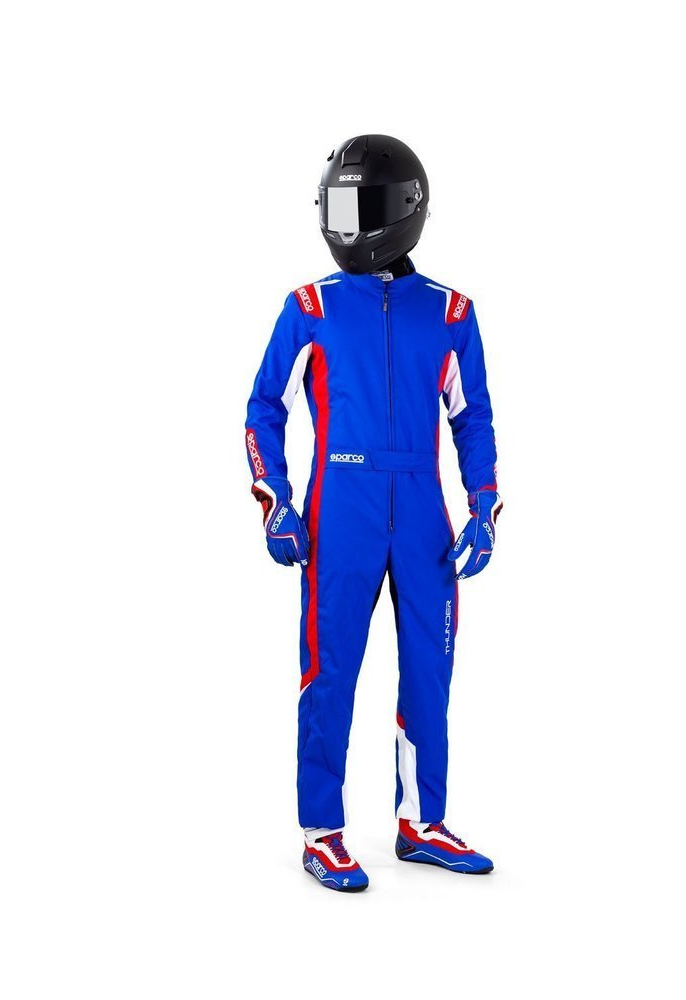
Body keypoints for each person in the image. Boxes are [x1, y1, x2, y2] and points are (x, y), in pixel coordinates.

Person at [245, 135, 502, 892]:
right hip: (341, 509)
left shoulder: (451, 312)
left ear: (405, 210)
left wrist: (485, 504)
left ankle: (422, 824)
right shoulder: (310, 307)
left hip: (422, 511)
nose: (348, 225)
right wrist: (276, 501)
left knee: (429, 669)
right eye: (340, 208)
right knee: (329, 671)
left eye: (364, 209)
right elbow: (263, 409)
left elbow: (472, 418)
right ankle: (322, 831)